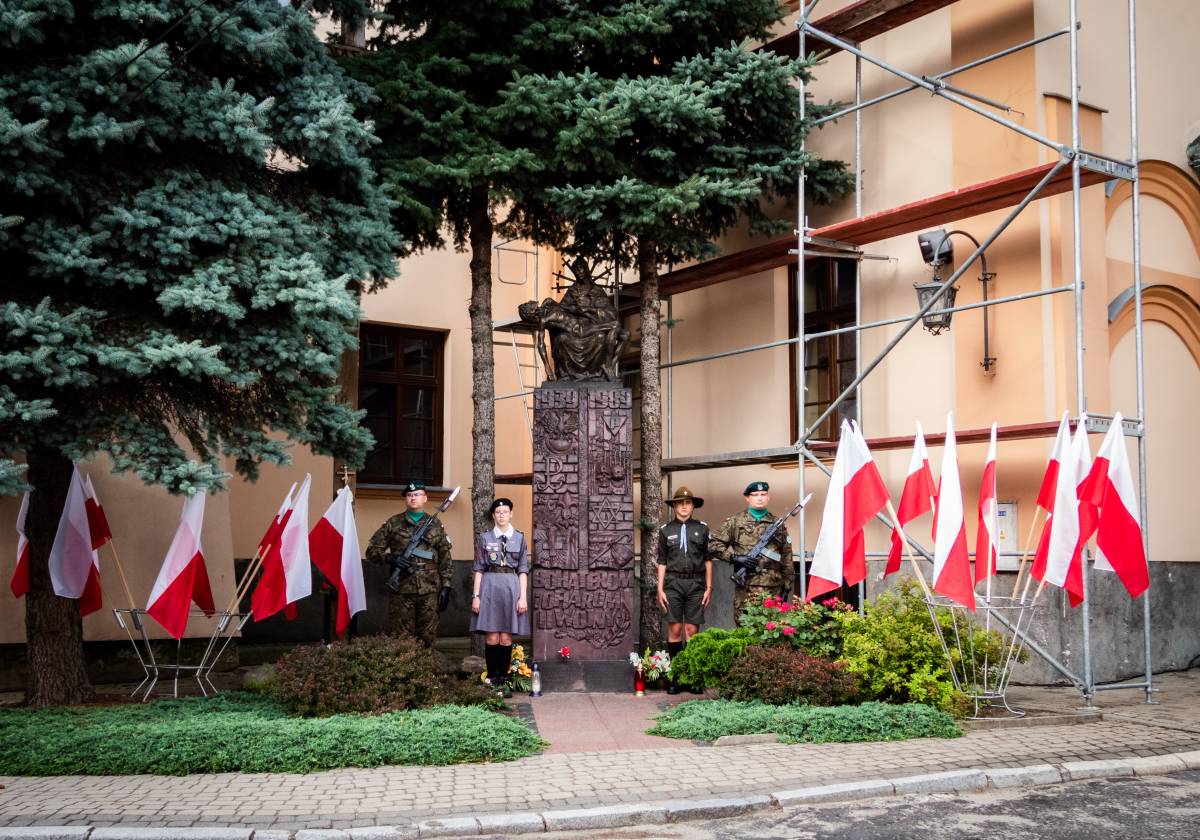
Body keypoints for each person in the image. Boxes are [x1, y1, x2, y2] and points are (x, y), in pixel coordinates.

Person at [364, 481, 454, 646]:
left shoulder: (436, 525)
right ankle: (406, 669)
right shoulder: (393, 523)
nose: (413, 498)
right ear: (406, 499)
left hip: (430, 588)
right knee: (401, 637)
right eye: (410, 495)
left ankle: (426, 669)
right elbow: (371, 552)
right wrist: (391, 558)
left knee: (427, 635)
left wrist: (446, 586)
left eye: (417, 494)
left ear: (425, 498)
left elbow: (445, 557)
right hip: (402, 589)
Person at [709, 481, 793, 624]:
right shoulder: (735, 522)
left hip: (773, 589)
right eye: (755, 495)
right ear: (747, 498)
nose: (760, 498)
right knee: (746, 632)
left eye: (763, 494)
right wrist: (734, 558)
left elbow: (786, 557)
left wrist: (788, 584)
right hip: (746, 588)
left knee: (771, 633)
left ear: (768, 497)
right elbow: (712, 545)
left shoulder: (778, 524)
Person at [470, 497, 530, 698]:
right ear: (493, 515)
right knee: (492, 635)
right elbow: (478, 568)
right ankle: (492, 679)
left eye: (505, 511)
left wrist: (523, 598)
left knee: (506, 637)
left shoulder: (520, 538)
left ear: (511, 514)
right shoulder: (485, 538)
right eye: (498, 512)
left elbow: (523, 570)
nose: (502, 515)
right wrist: (476, 596)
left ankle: (504, 681)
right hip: (489, 587)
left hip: (511, 587)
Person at [656, 486, 712, 695]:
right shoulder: (666, 530)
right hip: (673, 583)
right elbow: (661, 561)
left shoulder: (703, 529)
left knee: (692, 631)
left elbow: (708, 560)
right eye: (680, 503)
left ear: (693, 506)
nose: (684, 507)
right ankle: (677, 676)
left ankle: (693, 676)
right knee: (675, 630)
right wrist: (659, 588)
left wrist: (709, 587)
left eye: (687, 503)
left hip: (696, 584)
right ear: (674, 506)